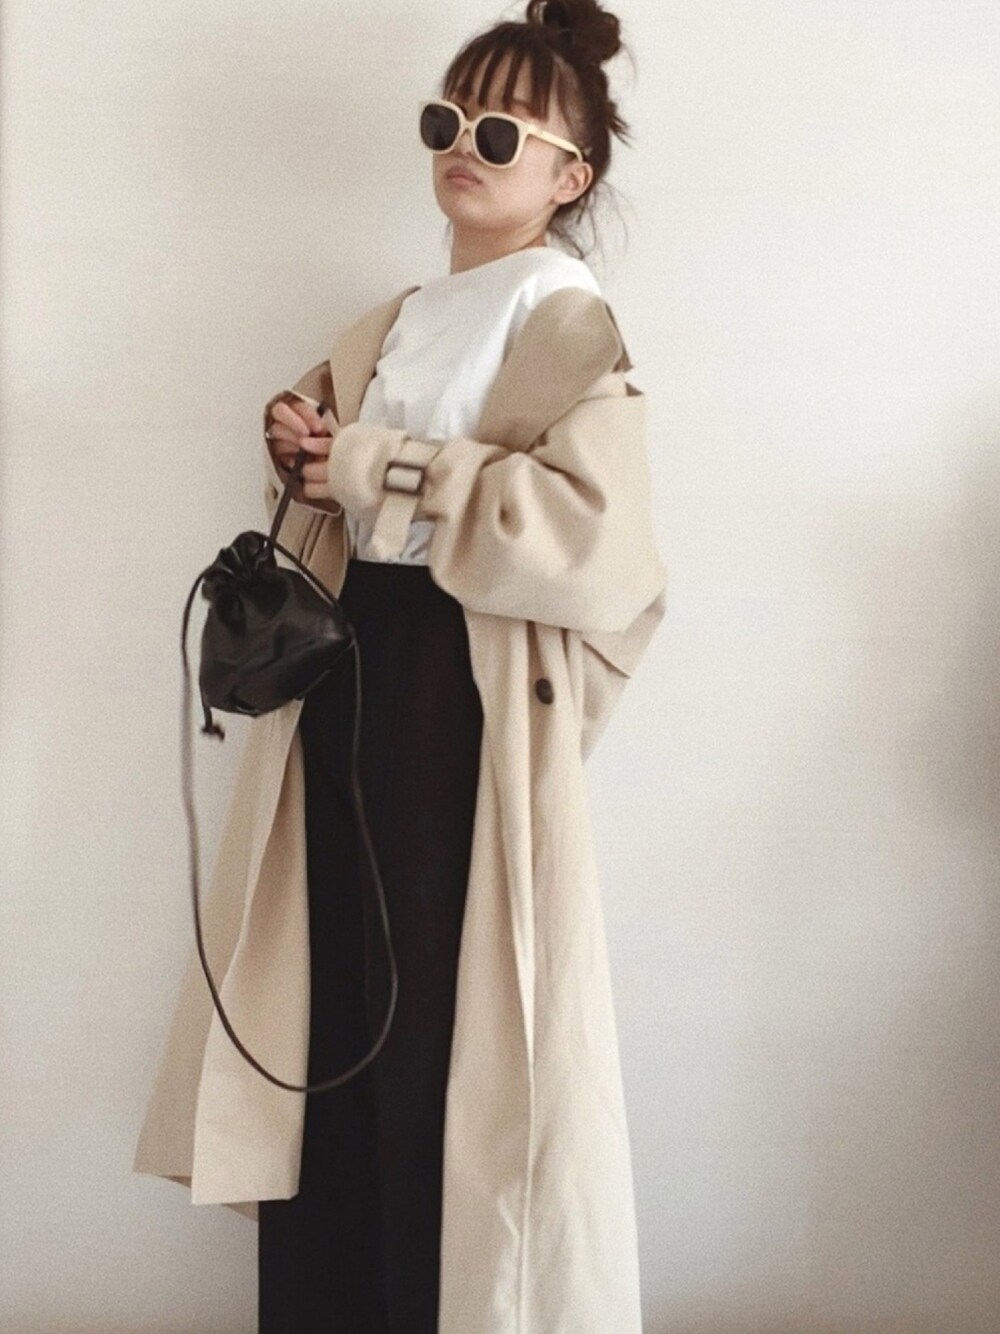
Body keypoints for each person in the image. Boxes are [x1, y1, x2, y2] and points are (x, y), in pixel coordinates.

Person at [131, 2, 667, 1331]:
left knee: (432, 1026)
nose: (464, 147)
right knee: (331, 1002)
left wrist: (375, 464)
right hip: (349, 670)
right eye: (447, 121)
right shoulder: (405, 316)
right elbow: (354, 491)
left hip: (452, 692)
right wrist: (301, 440)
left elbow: (598, 545)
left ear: (569, 175)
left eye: (502, 132)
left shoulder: (564, 319)